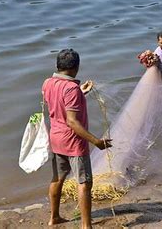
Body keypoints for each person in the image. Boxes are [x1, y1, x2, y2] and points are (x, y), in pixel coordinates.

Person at [42, 48, 112, 228]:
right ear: (76, 67)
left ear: (58, 66)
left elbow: (59, 104)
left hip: (56, 138)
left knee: (57, 178)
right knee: (84, 183)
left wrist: (81, 92)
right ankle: (86, 225)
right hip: (73, 142)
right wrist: (96, 141)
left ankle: (54, 217)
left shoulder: (48, 83)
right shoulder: (71, 88)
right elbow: (72, 121)